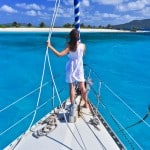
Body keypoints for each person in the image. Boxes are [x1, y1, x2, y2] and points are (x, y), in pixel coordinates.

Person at [47, 28, 89, 108]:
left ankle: (73, 105)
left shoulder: (69, 47)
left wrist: (50, 46)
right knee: (82, 87)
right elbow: (83, 53)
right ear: (78, 37)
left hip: (71, 67)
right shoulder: (83, 46)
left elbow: (59, 55)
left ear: (71, 37)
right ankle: (86, 104)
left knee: (71, 87)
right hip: (79, 67)